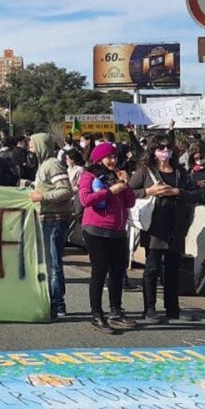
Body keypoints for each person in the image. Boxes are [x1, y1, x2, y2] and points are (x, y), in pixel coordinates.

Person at [129, 135, 203, 324]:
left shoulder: (181, 172)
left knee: (173, 270)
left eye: (168, 148)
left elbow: (196, 194)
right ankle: (149, 308)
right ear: (153, 151)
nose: (165, 152)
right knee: (151, 268)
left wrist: (178, 192)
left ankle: (173, 309)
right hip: (154, 227)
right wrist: (149, 191)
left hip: (176, 227)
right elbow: (128, 192)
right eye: (161, 149)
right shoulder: (145, 172)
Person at [79, 142, 137, 334]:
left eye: (115, 157)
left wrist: (125, 185)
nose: (113, 161)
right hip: (96, 229)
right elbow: (85, 199)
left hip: (118, 230)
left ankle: (116, 310)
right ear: (99, 158)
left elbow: (130, 202)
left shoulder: (117, 175)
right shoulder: (89, 175)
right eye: (109, 157)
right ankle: (96, 314)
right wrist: (110, 191)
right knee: (99, 271)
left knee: (117, 272)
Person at [28, 133, 74, 319]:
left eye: (33, 144)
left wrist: (42, 197)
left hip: (54, 219)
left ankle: (57, 304)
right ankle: (53, 302)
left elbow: (65, 190)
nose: (30, 147)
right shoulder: (43, 165)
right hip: (47, 217)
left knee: (53, 263)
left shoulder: (52, 164)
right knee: (49, 262)